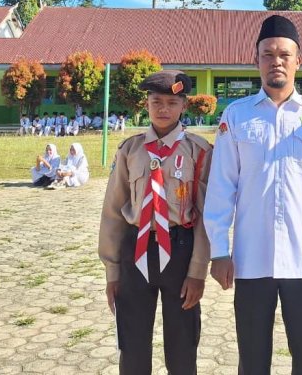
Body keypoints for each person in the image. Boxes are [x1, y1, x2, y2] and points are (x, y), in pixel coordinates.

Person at [203, 15, 302, 375]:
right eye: (267, 54)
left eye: (284, 55)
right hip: (251, 258)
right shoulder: (236, 115)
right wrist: (219, 250)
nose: (276, 61)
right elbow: (222, 186)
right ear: (256, 61)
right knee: (252, 358)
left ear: (298, 61)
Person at [99, 70, 212, 375]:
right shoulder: (130, 150)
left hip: (180, 250)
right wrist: (112, 271)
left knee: (183, 342)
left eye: (172, 103)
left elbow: (206, 216)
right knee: (132, 343)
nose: (163, 109)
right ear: (146, 104)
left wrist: (198, 272)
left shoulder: (199, 151)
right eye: (156, 102)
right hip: (136, 249)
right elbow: (113, 212)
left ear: (184, 105)